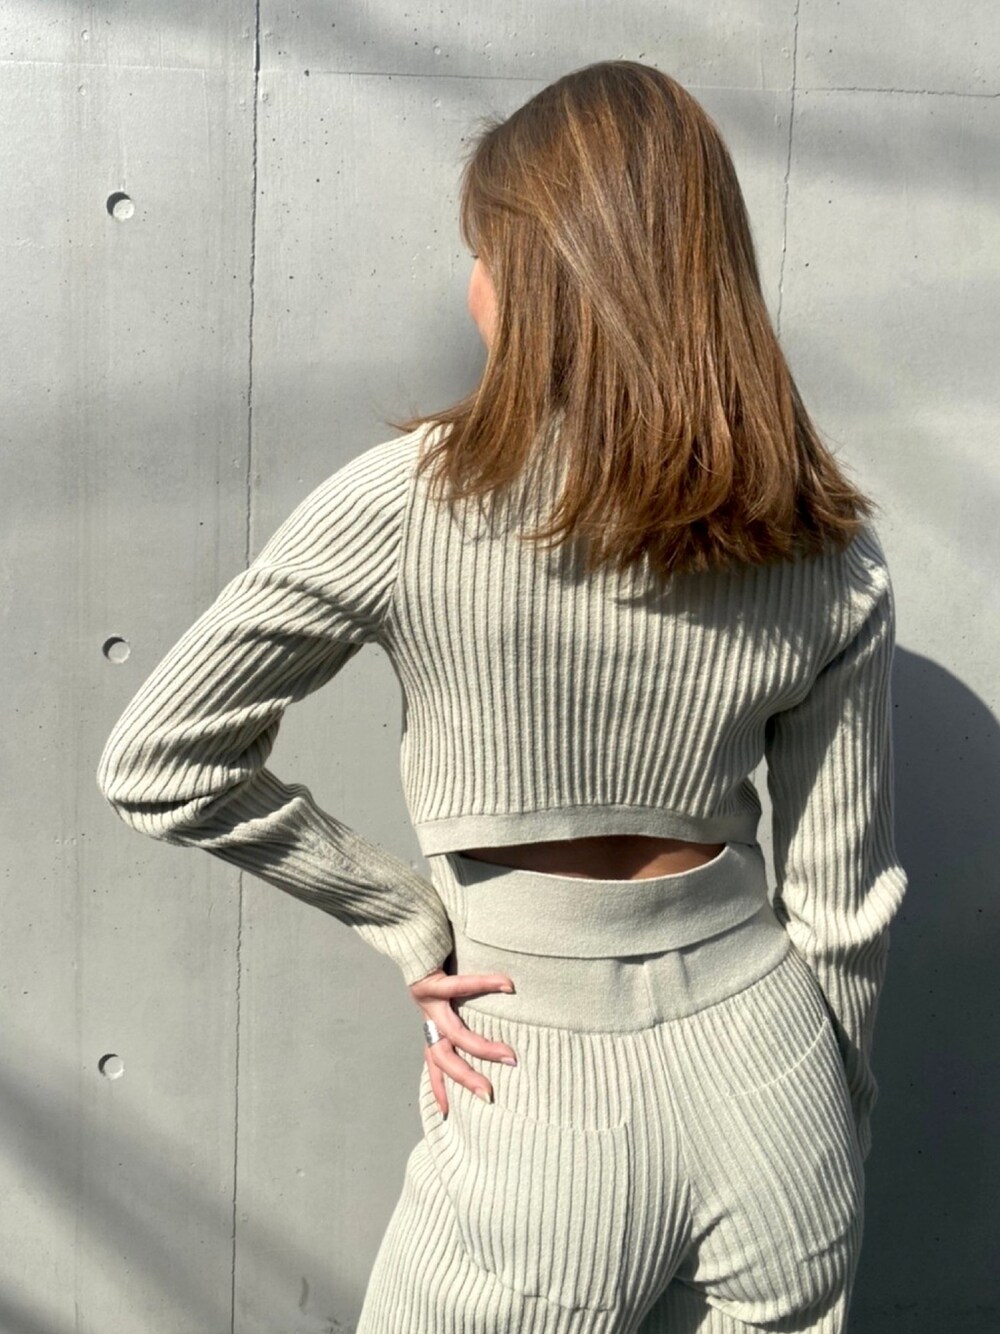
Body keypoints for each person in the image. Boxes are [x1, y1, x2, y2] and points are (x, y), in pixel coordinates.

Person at [96, 59, 908, 1334]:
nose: (471, 287)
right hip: (776, 1074)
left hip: (540, 1091)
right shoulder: (821, 539)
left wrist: (407, 919)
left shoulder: (411, 499)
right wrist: (821, 1126)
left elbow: (160, 759)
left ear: (534, 275)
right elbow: (842, 910)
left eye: (480, 253)